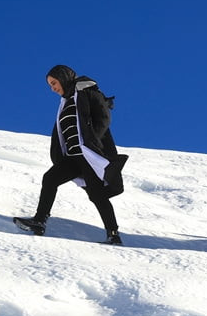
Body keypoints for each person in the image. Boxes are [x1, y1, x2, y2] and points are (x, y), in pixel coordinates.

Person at [14, 65, 128, 245]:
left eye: (54, 83)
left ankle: (113, 234)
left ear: (63, 77)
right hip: (72, 158)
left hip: (88, 155)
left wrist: (92, 141)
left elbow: (103, 117)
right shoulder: (65, 102)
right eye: (50, 85)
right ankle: (39, 221)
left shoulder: (87, 92)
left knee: (97, 194)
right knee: (50, 178)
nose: (53, 88)